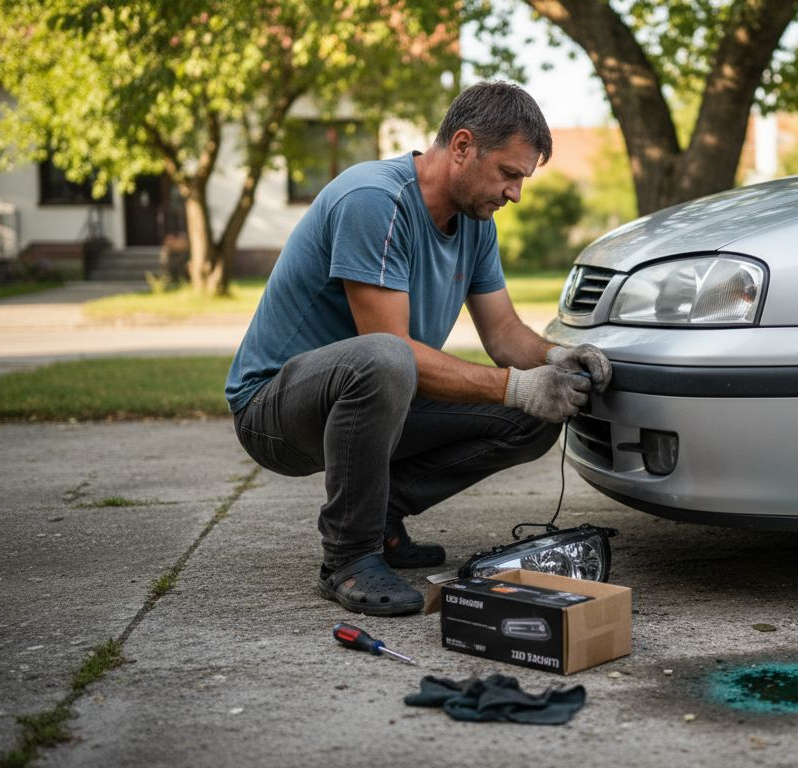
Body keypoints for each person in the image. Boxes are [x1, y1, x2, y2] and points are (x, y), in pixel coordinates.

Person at [224, 82, 612, 617]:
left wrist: (554, 360)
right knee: (388, 358)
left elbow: (502, 335)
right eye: (509, 173)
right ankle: (347, 557)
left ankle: (379, 521)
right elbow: (392, 349)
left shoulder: (476, 224)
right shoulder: (374, 201)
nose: (515, 192)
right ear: (461, 146)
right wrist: (517, 386)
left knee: (536, 417)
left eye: (522, 178)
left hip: (374, 397)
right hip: (274, 413)